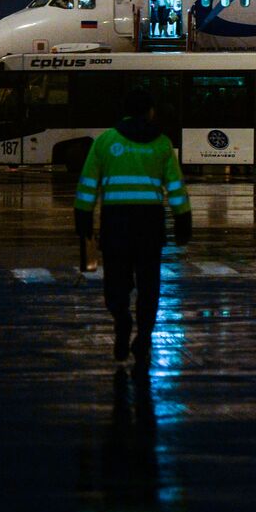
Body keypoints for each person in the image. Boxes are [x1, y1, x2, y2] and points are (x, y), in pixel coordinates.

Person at [75, 88, 192, 375]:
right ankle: (144, 339)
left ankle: (121, 321)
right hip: (150, 225)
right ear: (150, 111)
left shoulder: (105, 141)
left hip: (116, 224)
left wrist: (84, 221)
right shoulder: (161, 144)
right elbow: (175, 187)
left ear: (125, 111)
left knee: (116, 282)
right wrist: (183, 221)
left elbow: (88, 184)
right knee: (149, 287)